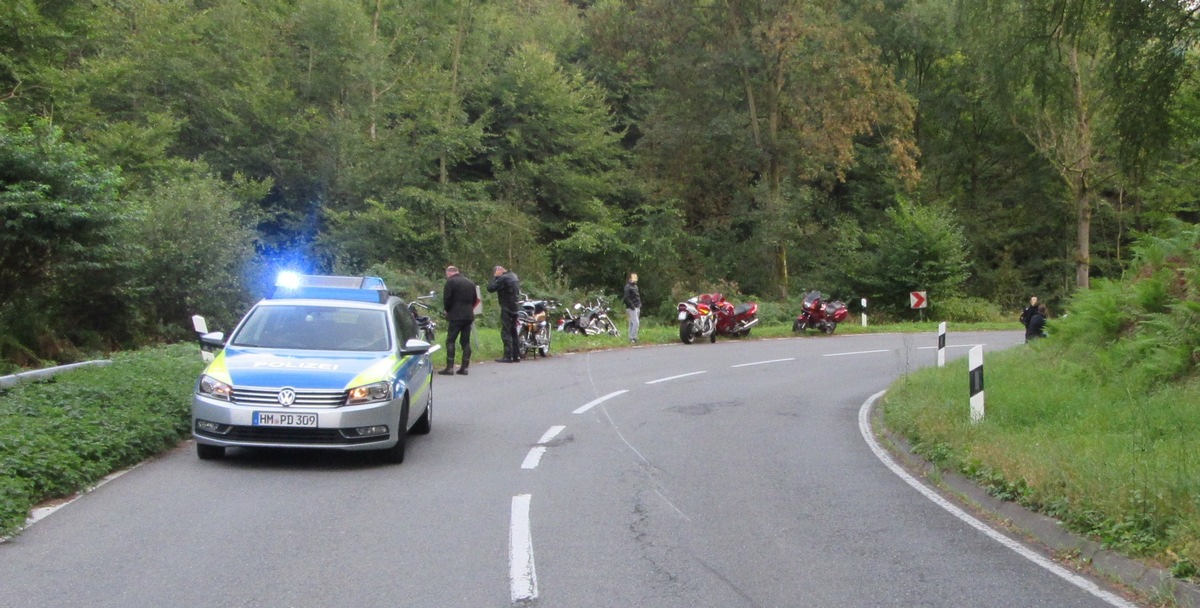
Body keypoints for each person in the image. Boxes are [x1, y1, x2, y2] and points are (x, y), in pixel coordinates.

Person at [439, 265, 477, 376]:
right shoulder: (470, 283)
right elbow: (475, 299)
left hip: (456, 315)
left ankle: (449, 368)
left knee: (450, 340)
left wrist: (447, 310)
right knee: (465, 341)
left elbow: (447, 298)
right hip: (468, 315)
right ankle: (464, 368)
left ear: (449, 273)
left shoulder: (451, 282)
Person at [487, 265, 521, 362]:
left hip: (507, 307)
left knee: (506, 332)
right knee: (514, 331)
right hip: (515, 307)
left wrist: (495, 277)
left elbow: (490, 288)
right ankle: (516, 355)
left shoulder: (503, 278)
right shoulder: (513, 275)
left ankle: (508, 356)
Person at [622, 272, 641, 344]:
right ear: (630, 279)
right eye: (633, 277)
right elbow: (626, 298)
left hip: (637, 306)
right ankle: (633, 337)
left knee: (632, 323)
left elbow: (637, 296)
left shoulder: (636, 287)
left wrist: (639, 305)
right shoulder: (628, 287)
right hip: (631, 307)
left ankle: (631, 337)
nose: (635, 279)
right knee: (636, 323)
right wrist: (632, 306)